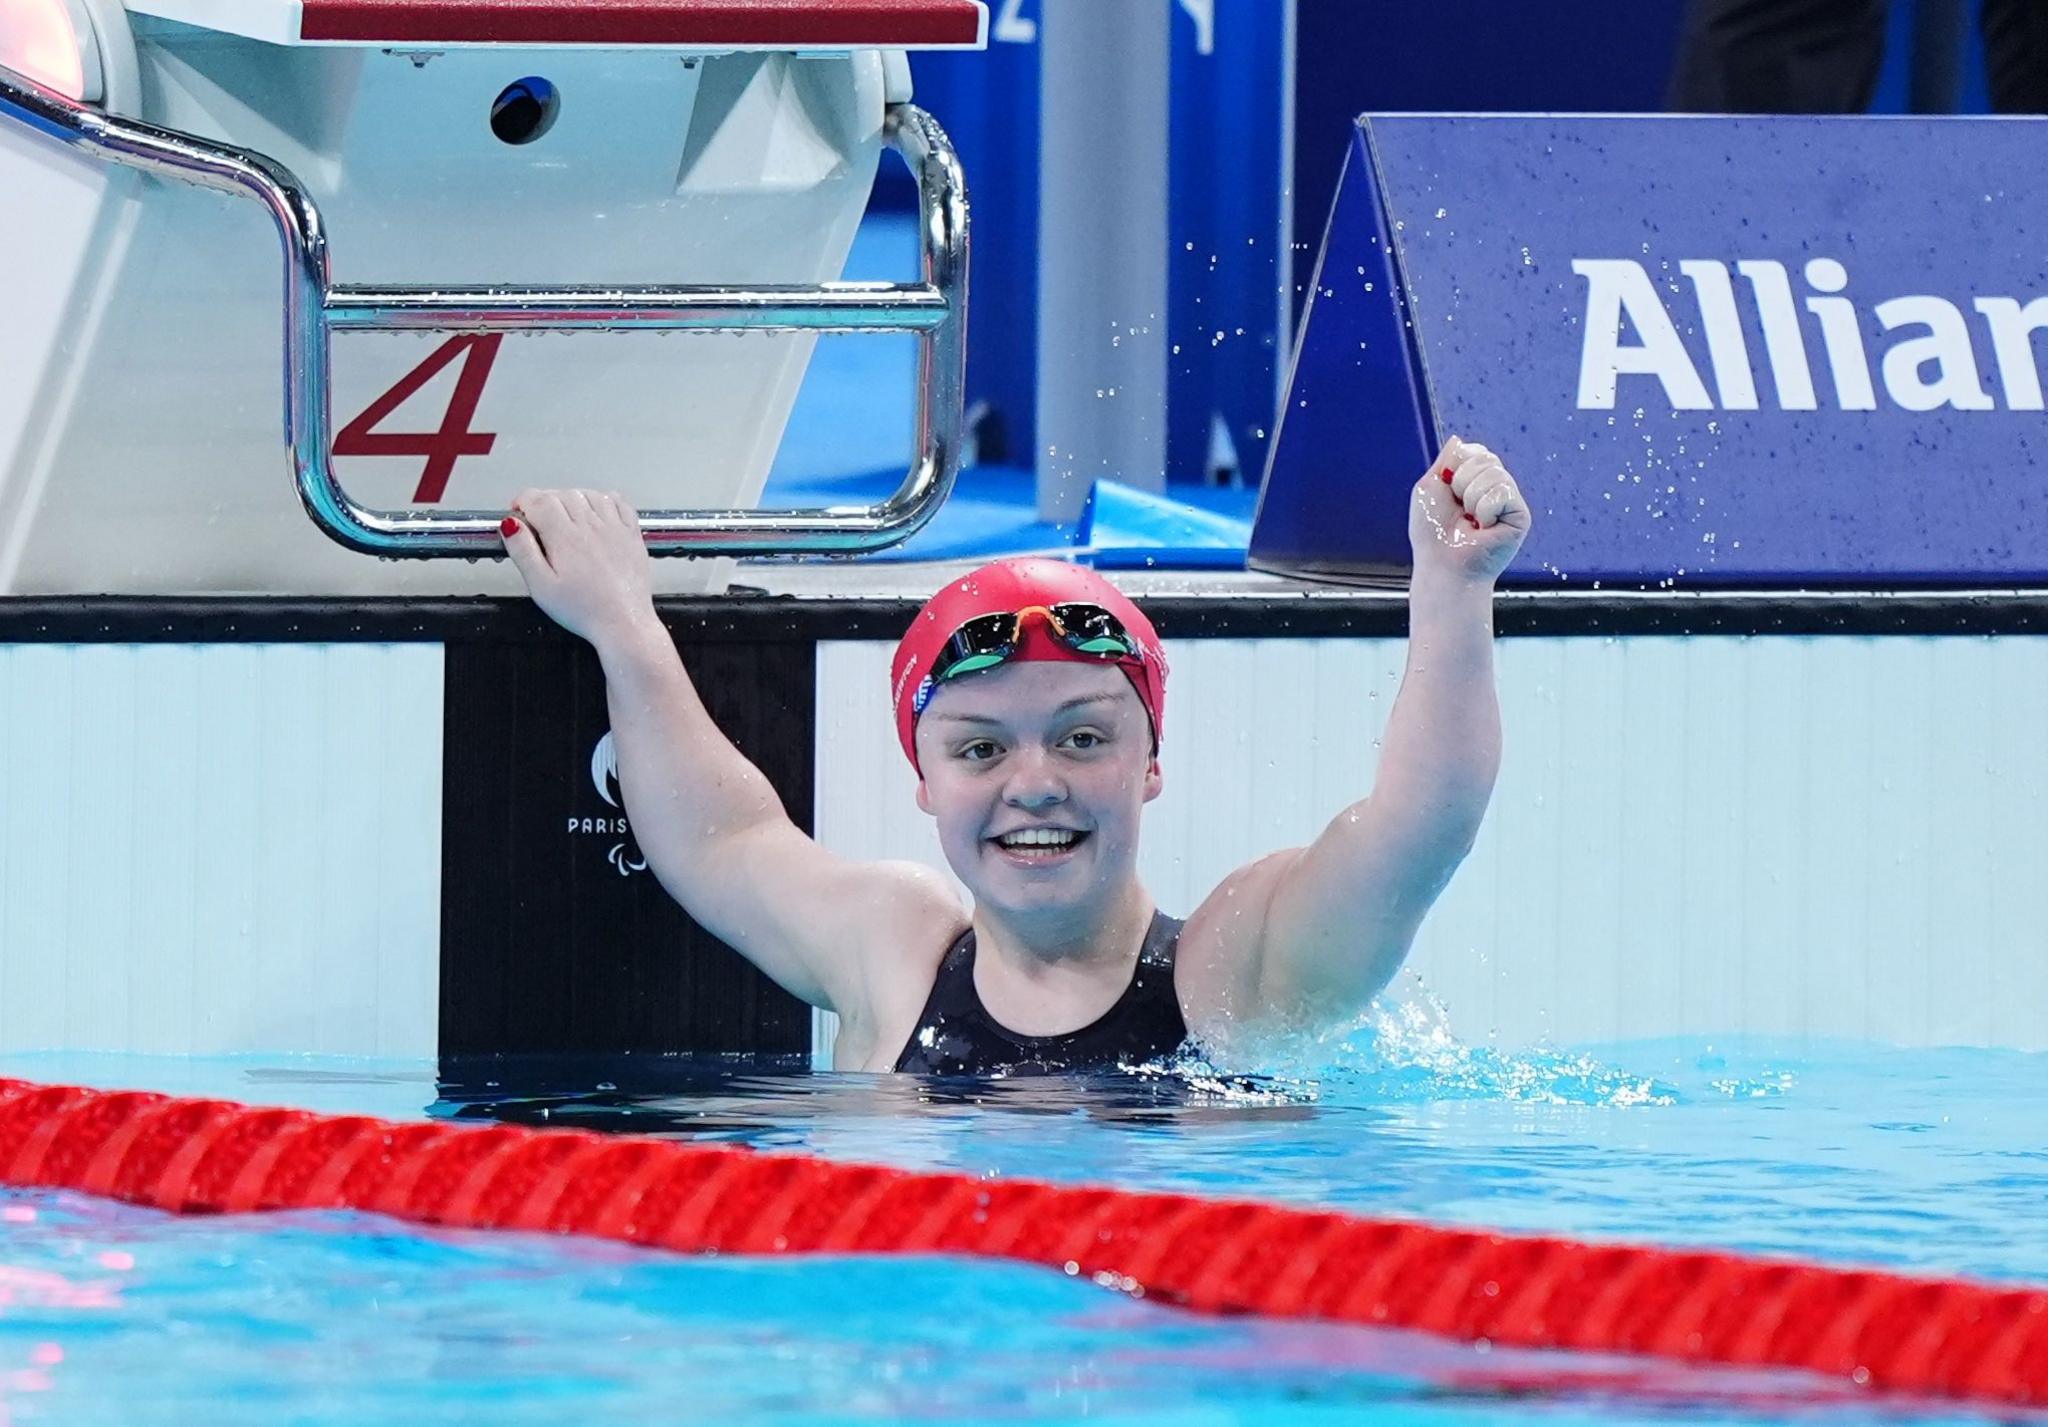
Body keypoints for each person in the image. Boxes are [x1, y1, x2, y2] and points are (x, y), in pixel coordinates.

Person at [499, 437, 1530, 1075]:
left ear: (1149, 762)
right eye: (980, 747)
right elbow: (722, 838)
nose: (1032, 783)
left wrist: (1451, 591)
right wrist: (620, 621)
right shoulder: (889, 952)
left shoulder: (1232, 973)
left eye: (1081, 737)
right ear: (923, 777)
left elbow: (1417, 825)